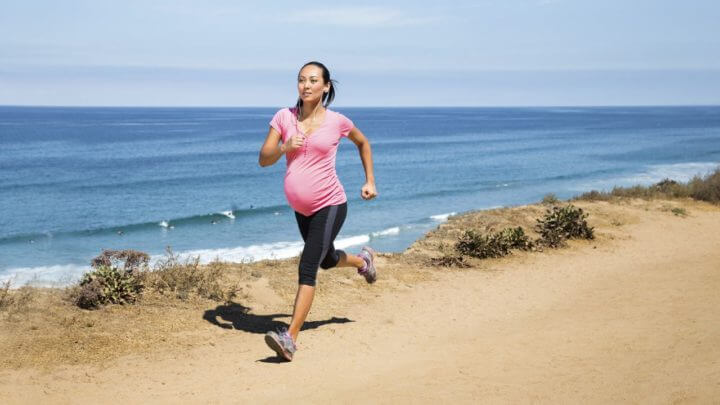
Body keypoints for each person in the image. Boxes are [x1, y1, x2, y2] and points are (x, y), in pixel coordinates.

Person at [258, 61, 378, 361]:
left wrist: (369, 181)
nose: (306, 85)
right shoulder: (283, 117)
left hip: (330, 203)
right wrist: (285, 146)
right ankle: (363, 261)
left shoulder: (337, 121)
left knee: (308, 266)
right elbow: (264, 159)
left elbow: (363, 143)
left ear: (326, 87)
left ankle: (289, 339)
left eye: (313, 80)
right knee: (325, 260)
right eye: (301, 80)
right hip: (301, 209)